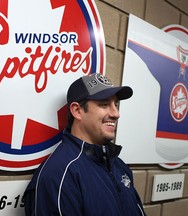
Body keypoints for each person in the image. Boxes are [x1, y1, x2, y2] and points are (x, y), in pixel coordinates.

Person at [24, 73, 146, 216]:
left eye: (116, 104)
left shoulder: (120, 166)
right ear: (77, 111)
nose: (116, 113)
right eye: (105, 104)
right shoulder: (58, 174)